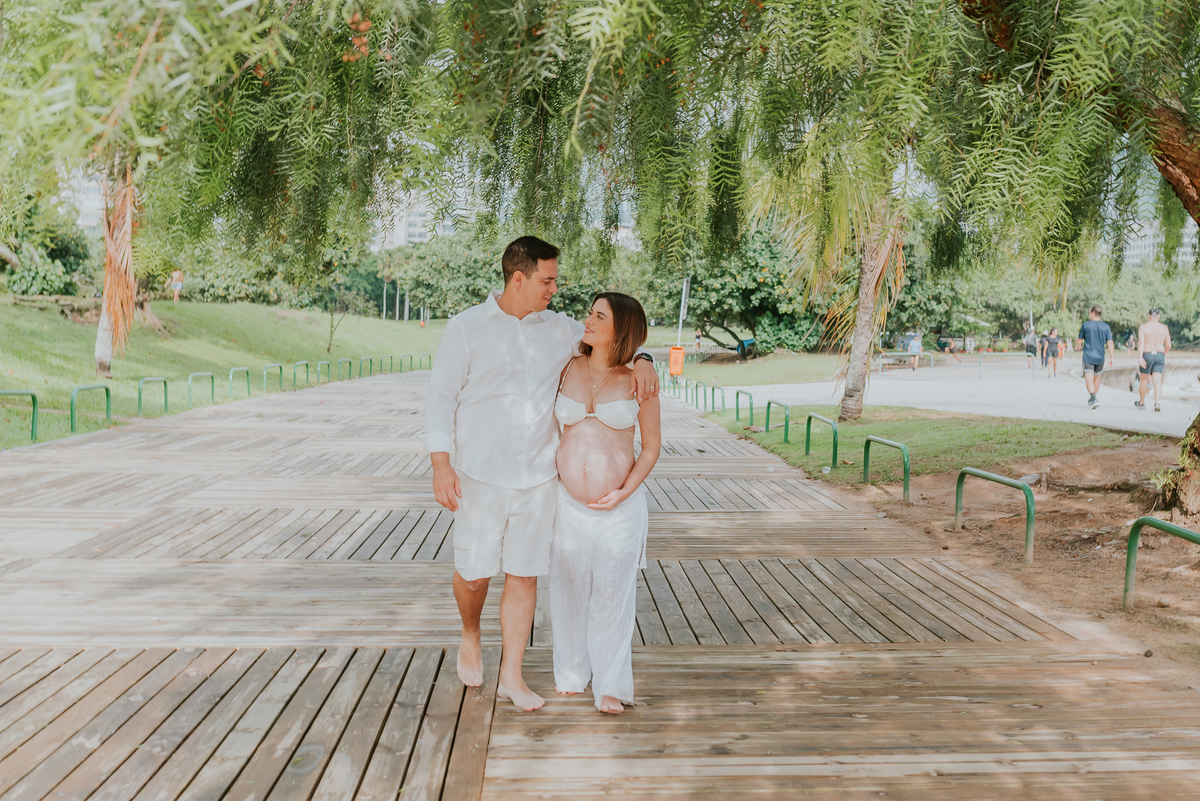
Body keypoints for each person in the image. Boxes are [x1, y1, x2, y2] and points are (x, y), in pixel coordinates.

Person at [423, 236, 659, 712]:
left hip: (538, 479)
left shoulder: (560, 330)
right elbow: (440, 399)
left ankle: (511, 676)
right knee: (473, 576)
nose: (555, 288)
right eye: (547, 279)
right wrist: (440, 463)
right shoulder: (466, 328)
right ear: (519, 278)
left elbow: (614, 340)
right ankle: (471, 634)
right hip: (480, 476)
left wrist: (644, 359)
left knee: (524, 576)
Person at [551, 293, 660, 714]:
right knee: (568, 588)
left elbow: (651, 448)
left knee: (613, 594)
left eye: (600, 316)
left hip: (620, 507)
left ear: (622, 329)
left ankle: (610, 685)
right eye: (591, 313)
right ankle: (572, 673)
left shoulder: (639, 379)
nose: (589, 320)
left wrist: (624, 490)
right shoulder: (566, 366)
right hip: (567, 504)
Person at [1076, 305, 1114, 409]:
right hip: (1100, 357)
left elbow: (1079, 341)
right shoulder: (1106, 327)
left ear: (1093, 313)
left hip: (1088, 356)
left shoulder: (1086, 325)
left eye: (1089, 312)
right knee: (1096, 379)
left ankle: (1093, 397)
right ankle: (1094, 399)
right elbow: (1110, 343)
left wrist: (1077, 345)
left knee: (1089, 378)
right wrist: (1112, 357)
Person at [1136, 306, 1172, 411]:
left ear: (1148, 316)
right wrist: (1164, 352)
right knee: (1157, 380)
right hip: (1159, 354)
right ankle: (1157, 403)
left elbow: (1141, 342)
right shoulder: (1164, 328)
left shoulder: (1143, 327)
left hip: (1147, 353)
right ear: (1159, 316)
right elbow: (1168, 344)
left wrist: (1140, 357)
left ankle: (1142, 402)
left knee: (1144, 379)